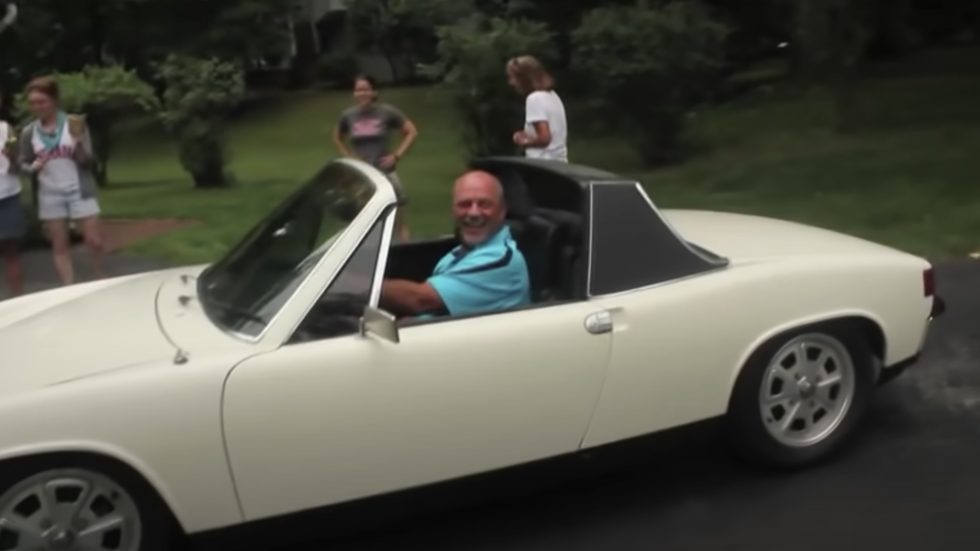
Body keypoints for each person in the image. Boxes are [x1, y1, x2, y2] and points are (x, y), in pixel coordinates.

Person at [380, 170, 530, 318]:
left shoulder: (500, 260)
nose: (473, 213)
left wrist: (362, 286)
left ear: (502, 210)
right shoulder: (463, 252)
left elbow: (421, 300)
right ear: (453, 209)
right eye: (464, 204)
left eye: (484, 204)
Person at [18, 76, 105, 285]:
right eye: (32, 103)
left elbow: (87, 161)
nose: (37, 107)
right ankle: (69, 286)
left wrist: (79, 146)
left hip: (79, 189)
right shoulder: (29, 132)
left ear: (54, 100)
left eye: (41, 102)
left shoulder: (74, 123)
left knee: (93, 241)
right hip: (50, 194)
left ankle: (101, 278)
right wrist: (32, 167)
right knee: (59, 244)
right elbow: (22, 161)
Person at [333, 75, 418, 242]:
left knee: (397, 220)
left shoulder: (386, 112)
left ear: (374, 92)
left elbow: (411, 131)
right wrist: (349, 155)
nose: (361, 93)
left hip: (384, 172)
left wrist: (396, 155)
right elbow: (337, 136)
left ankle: (407, 253)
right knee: (358, 221)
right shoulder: (348, 115)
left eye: (365, 89)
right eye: (358, 90)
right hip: (360, 176)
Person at [506, 55, 568, 162]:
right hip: (559, 162)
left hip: (541, 163)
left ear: (524, 79)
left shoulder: (534, 99)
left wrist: (523, 141)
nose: (511, 83)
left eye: (513, 78)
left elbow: (545, 138)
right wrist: (529, 134)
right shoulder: (553, 96)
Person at [0, 87, 24, 296]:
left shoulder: (6, 129)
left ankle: (19, 300)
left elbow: (18, 167)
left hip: (7, 194)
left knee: (11, 252)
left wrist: (12, 158)